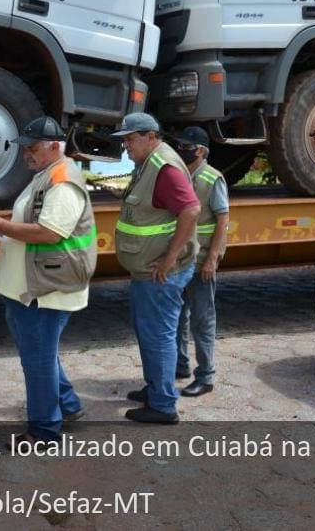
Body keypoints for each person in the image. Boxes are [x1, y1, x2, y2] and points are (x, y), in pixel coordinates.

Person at [0, 116, 97, 447]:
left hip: (46, 289)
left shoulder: (62, 180)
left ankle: (44, 432)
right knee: (42, 354)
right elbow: (37, 226)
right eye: (23, 147)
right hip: (35, 286)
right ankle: (67, 405)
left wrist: (0, 226)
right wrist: (6, 233)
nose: (25, 153)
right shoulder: (47, 174)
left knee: (38, 360)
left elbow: (50, 232)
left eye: (31, 147)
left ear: (54, 146)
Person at [113, 113, 200, 424]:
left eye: (131, 138)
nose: (126, 145)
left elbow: (191, 209)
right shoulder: (150, 163)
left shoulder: (164, 167)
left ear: (151, 136)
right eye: (124, 139)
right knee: (151, 333)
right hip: (149, 271)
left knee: (157, 336)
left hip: (159, 273)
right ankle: (156, 390)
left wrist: (170, 258)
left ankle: (163, 405)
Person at [172, 126, 229, 398]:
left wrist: (213, 259)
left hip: (202, 260)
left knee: (202, 319)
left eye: (187, 146)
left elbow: (222, 220)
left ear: (202, 150)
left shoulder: (211, 178)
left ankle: (205, 376)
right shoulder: (181, 175)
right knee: (179, 317)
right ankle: (179, 366)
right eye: (180, 145)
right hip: (181, 260)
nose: (182, 150)